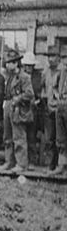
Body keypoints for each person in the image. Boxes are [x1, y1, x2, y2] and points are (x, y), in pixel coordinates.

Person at [0, 50, 34, 174]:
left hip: (18, 108)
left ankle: (21, 164)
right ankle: (9, 162)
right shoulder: (9, 76)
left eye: (10, 63)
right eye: (7, 63)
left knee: (19, 137)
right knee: (7, 136)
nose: (7, 65)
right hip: (7, 106)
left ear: (16, 63)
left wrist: (18, 99)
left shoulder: (24, 77)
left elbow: (29, 94)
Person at [42, 45, 61, 172]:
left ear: (58, 57)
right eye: (49, 56)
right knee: (49, 139)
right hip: (48, 108)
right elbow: (43, 87)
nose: (50, 59)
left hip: (60, 110)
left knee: (61, 139)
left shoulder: (63, 71)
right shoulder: (46, 71)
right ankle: (50, 165)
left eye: (53, 56)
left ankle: (61, 166)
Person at [22, 52, 43, 167]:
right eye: (26, 65)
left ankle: (32, 161)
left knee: (32, 136)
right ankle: (22, 160)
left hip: (34, 110)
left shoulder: (38, 77)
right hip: (21, 109)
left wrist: (37, 100)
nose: (28, 68)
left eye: (30, 65)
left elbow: (40, 92)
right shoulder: (20, 76)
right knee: (21, 135)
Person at [53, 45, 67, 176]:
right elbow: (54, 87)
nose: (65, 61)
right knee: (61, 138)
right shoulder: (60, 72)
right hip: (61, 106)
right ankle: (61, 165)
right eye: (63, 58)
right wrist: (57, 95)